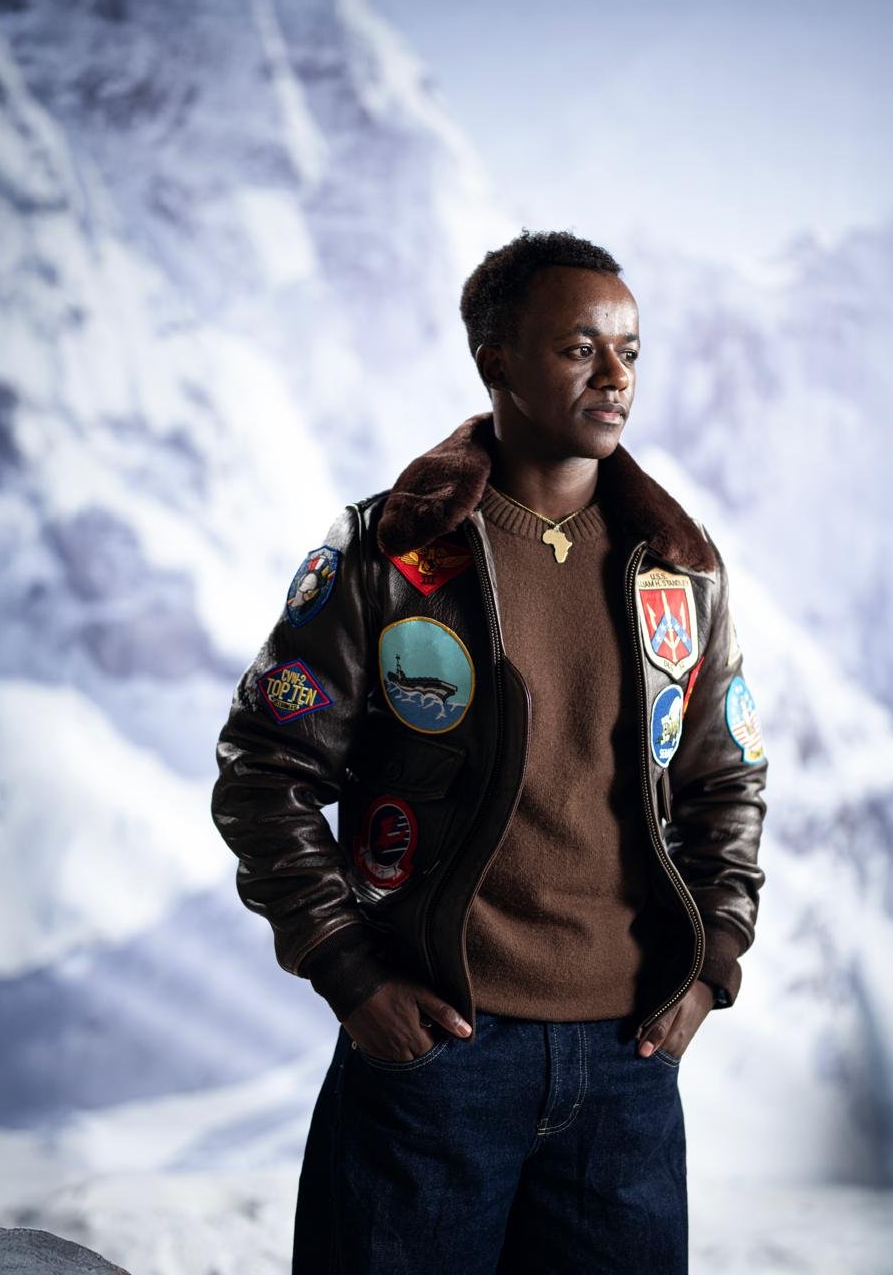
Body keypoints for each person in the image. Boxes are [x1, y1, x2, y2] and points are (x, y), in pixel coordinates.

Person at [210, 228, 768, 1273]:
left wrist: (711, 965)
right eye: (579, 349)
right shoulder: (388, 552)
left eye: (630, 351)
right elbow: (264, 770)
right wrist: (348, 971)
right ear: (496, 361)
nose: (615, 377)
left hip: (630, 1068)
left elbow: (726, 781)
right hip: (437, 1059)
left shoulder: (680, 569)